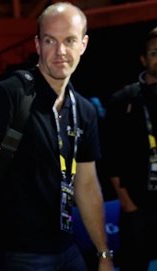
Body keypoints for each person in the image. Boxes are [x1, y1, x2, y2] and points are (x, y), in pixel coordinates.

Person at [0, 2, 115, 271]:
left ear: (84, 44)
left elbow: (87, 185)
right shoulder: (10, 94)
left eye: (69, 40)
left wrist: (103, 254)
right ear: (37, 44)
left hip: (68, 248)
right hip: (16, 253)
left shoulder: (85, 111)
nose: (60, 52)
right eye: (50, 40)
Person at [103, 26, 157, 271]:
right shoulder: (123, 100)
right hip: (137, 205)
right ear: (143, 59)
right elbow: (111, 157)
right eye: (154, 52)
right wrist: (128, 204)